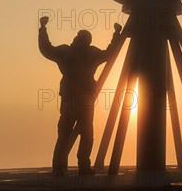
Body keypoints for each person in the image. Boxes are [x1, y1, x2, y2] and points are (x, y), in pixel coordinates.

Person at [39, 16, 122, 175]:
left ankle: (69, 167)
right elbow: (110, 53)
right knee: (74, 134)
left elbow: (46, 49)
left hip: (81, 101)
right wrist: (42, 29)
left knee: (78, 135)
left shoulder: (72, 53)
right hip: (78, 100)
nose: (77, 39)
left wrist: (43, 28)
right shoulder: (79, 53)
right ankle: (66, 167)